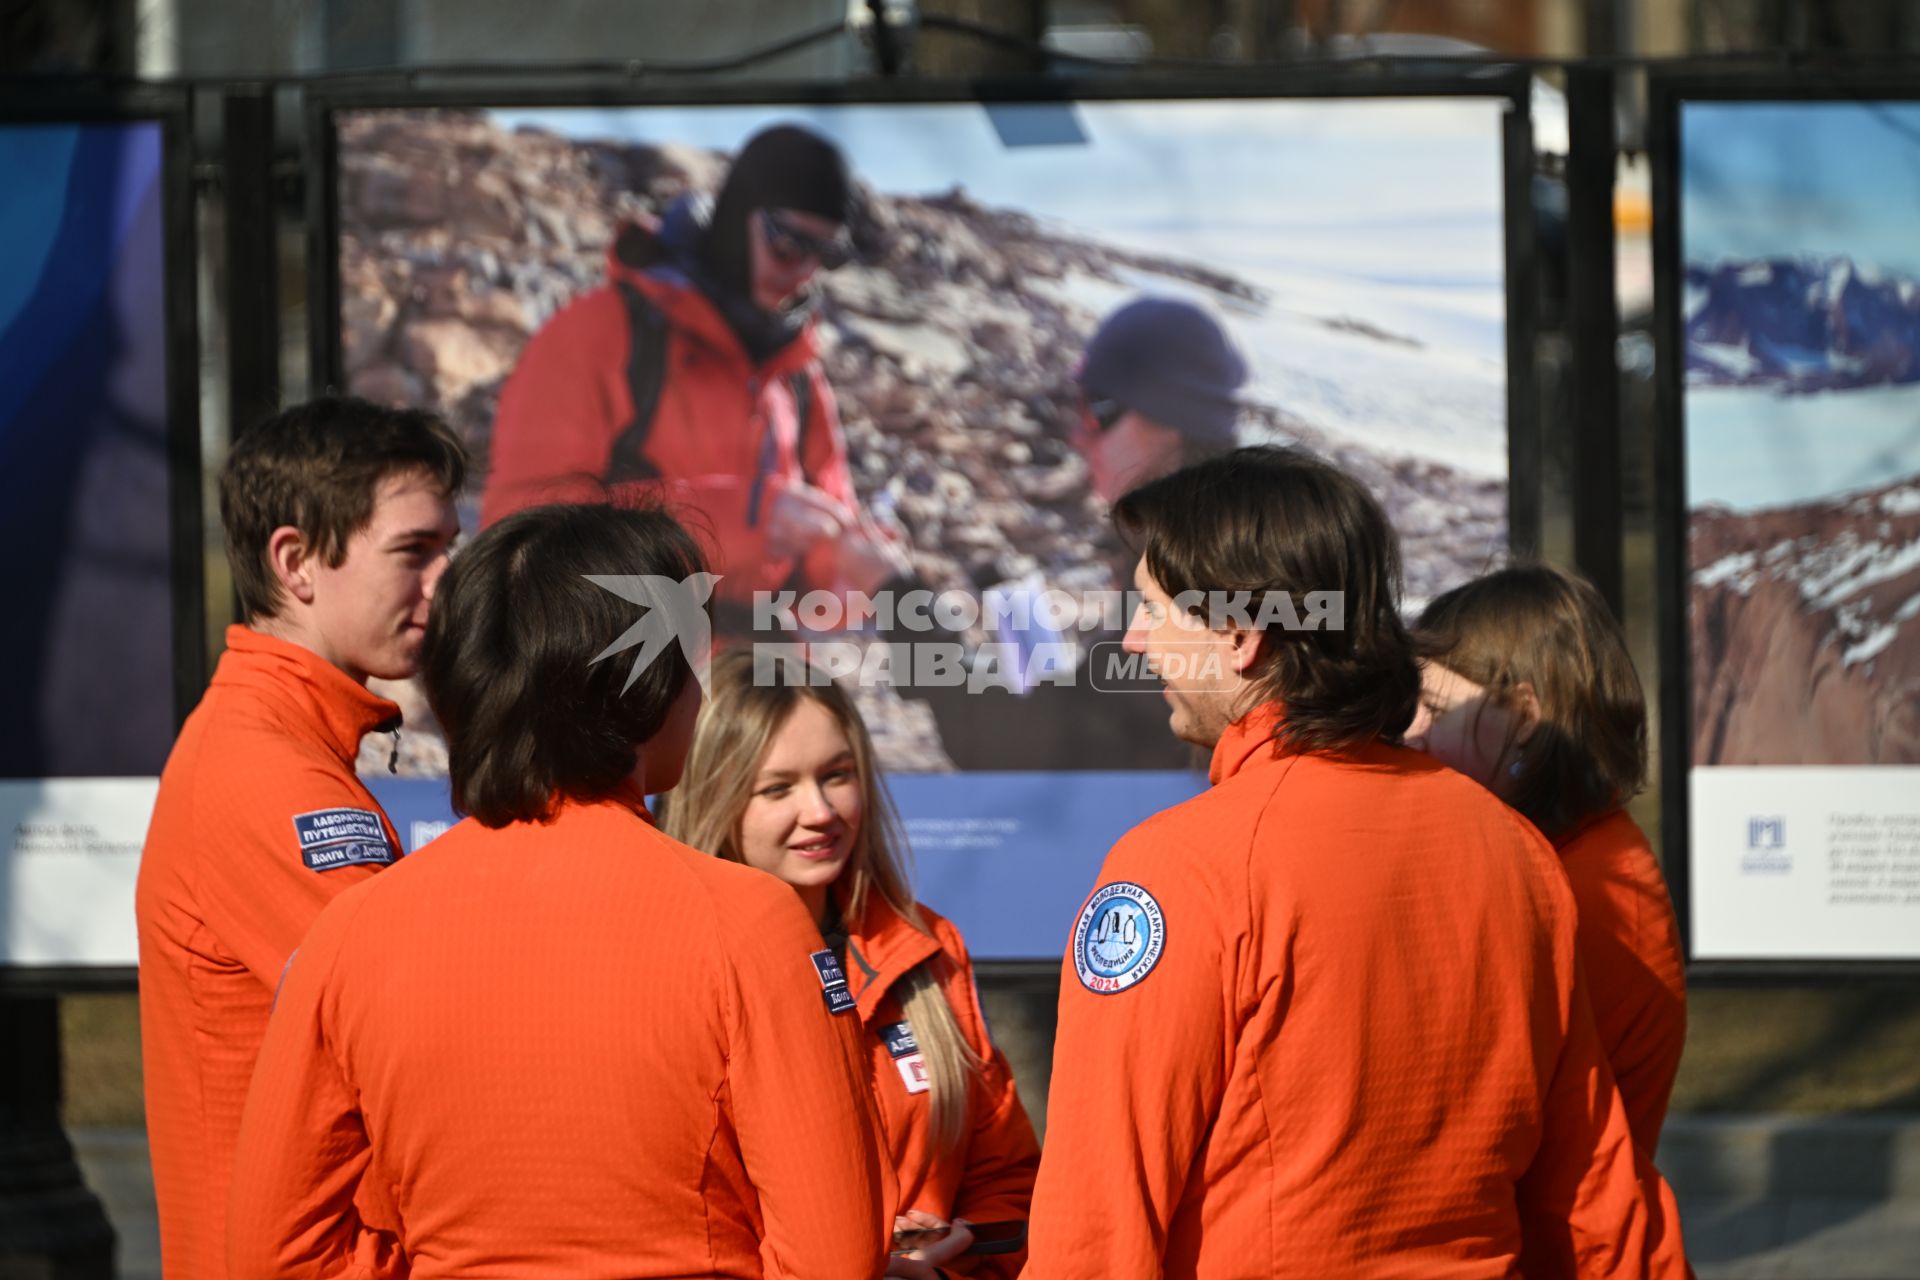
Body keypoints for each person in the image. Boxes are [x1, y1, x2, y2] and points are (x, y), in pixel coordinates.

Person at [1024, 445, 1689, 1277]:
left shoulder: (1179, 867)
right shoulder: (1514, 849)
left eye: (1155, 610)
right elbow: (1591, 1192)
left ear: (1238, 636)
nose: (1135, 639)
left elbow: (1098, 1213)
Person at [226, 504, 891, 1279]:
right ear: (646, 688)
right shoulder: (749, 922)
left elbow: (273, 1253)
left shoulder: (351, 932)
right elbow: (835, 1256)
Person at [135, 395, 464, 1280]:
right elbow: (425, 1038)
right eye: (415, 551)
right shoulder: (265, 769)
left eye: (450, 548)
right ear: (296, 562)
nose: (446, 580)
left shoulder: (281, 744)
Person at [665, 647, 1039, 1278]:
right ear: (713, 798)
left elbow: (1006, 1179)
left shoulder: (925, 947)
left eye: (837, 775)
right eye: (777, 788)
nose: (821, 812)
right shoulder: (674, 966)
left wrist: (953, 1248)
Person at [481, 122, 905, 610]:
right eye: (789, 244)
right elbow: (518, 541)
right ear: (737, 217)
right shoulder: (602, 332)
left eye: (826, 254)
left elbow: (819, 568)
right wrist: (741, 521)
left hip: (757, 677)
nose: (806, 272)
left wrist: (859, 569)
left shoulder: (798, 376)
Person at [1407, 563, 1687, 1158]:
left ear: (1525, 714)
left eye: (1434, 706)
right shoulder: (1580, 852)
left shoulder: (1586, 891)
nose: (1413, 732)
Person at [925, 295, 1248, 771]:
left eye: (1097, 410)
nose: (1079, 435)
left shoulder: (1188, 582)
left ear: (1169, 422)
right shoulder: (1223, 530)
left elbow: (1028, 752)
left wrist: (896, 600)